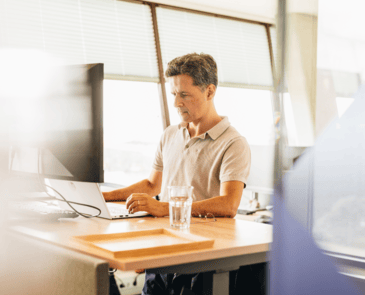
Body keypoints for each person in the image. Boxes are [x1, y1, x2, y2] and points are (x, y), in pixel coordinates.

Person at [103, 53, 251, 295]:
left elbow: (229, 205)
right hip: (163, 250)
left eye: (184, 94)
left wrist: (165, 207)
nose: (176, 103)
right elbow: (152, 185)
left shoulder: (234, 143)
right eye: (173, 94)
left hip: (200, 261)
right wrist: (106, 196)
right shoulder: (170, 134)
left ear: (209, 92)